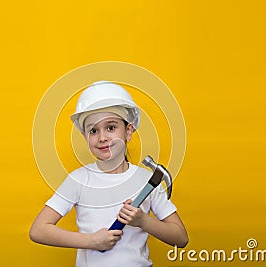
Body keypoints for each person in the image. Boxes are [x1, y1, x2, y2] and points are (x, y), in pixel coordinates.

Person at [30, 81, 188, 267]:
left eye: (111, 127)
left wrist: (143, 221)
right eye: (93, 130)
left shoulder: (147, 181)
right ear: (85, 137)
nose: (102, 137)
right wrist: (91, 241)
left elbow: (181, 238)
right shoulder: (78, 180)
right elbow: (38, 230)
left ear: (128, 131)